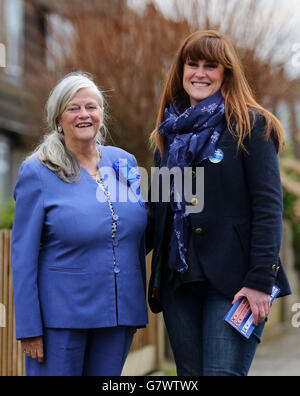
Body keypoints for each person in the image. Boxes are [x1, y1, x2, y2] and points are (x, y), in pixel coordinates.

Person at [147, 30, 291, 376]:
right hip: (178, 287)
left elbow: (269, 209)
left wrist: (259, 281)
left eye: (210, 65)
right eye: (191, 63)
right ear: (180, 71)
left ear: (226, 72)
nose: (199, 73)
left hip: (235, 285)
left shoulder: (252, 126)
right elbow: (157, 215)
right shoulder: (167, 137)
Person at [11, 72, 148, 376]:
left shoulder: (123, 162)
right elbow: (22, 256)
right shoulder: (37, 172)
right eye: (74, 108)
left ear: (101, 114)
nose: (84, 115)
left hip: (118, 314)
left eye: (91, 107)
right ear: (58, 117)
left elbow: (134, 232)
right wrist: (29, 326)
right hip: (60, 320)